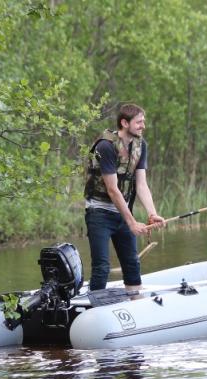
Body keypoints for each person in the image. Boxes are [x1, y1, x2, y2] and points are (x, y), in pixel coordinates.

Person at [84, 103, 164, 292]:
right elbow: (112, 190)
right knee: (101, 268)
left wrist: (152, 214)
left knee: (132, 264)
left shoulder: (140, 146)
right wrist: (132, 223)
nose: (143, 126)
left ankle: (135, 302)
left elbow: (141, 184)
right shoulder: (106, 146)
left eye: (143, 121)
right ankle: (94, 310)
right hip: (99, 214)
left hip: (122, 213)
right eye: (139, 122)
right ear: (124, 123)